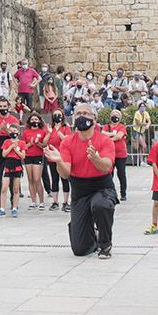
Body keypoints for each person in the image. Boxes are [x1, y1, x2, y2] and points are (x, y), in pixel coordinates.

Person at [46, 102, 116, 258]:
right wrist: (59, 161)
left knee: (100, 205)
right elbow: (65, 174)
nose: (81, 116)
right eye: (78, 114)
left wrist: (96, 159)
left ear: (94, 119)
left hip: (102, 186)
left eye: (85, 113)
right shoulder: (67, 142)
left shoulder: (105, 140)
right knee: (80, 250)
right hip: (79, 190)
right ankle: (92, 234)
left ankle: (105, 244)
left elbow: (107, 166)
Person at [20, 111, 47, 211]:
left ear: (39, 121)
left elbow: (44, 145)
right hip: (28, 156)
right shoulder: (26, 132)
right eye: (32, 119)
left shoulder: (42, 131)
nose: (34, 121)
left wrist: (38, 143)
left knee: (37, 179)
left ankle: (41, 202)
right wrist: (30, 144)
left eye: (36, 119)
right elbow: (23, 145)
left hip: (38, 156)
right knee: (30, 179)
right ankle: (33, 201)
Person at [0, 124, 24, 218]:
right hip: (8, 165)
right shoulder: (6, 142)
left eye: (15, 131)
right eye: (11, 131)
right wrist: (11, 147)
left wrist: (16, 150)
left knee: (16, 189)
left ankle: (15, 208)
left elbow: (23, 156)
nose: (13, 132)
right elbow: (4, 154)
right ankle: (2, 209)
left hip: (17, 166)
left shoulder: (21, 143)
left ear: (18, 132)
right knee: (4, 188)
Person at [104, 110, 130, 202]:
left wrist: (109, 139)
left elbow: (119, 136)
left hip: (120, 154)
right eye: (113, 114)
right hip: (109, 154)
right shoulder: (106, 126)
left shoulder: (122, 127)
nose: (115, 116)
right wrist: (113, 134)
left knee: (121, 174)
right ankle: (110, 192)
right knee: (109, 174)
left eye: (117, 115)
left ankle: (123, 193)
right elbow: (103, 133)